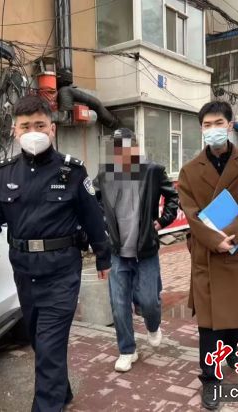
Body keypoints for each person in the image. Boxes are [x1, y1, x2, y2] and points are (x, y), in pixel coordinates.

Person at [0, 95, 111, 412]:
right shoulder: (5, 174)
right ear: (14, 131)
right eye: (25, 126)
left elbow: (93, 218)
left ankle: (48, 405)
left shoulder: (71, 171)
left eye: (40, 125)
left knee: (48, 347)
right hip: (24, 272)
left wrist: (104, 256)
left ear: (52, 129)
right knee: (40, 341)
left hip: (62, 272)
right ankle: (62, 393)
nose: (33, 132)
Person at [177, 101, 238, 410]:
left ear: (230, 125)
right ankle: (210, 378)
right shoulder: (190, 171)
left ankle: (231, 347)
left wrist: (233, 235)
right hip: (207, 252)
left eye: (218, 123)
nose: (212, 129)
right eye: (207, 125)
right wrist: (215, 240)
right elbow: (191, 213)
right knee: (210, 322)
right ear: (201, 129)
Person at [94, 128, 179, 372]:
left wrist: (161, 222)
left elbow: (173, 197)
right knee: (119, 303)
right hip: (117, 251)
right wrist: (103, 226)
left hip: (146, 250)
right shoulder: (105, 175)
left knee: (150, 301)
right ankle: (127, 350)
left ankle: (153, 325)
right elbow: (93, 203)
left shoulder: (153, 171)